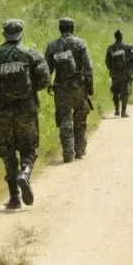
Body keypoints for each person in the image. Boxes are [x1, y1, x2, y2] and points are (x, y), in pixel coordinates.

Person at [0, 19, 50, 209]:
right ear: (21, 33)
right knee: (29, 146)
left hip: (3, 111)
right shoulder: (30, 54)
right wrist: (30, 91)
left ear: (4, 33)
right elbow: (45, 78)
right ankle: (25, 174)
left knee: (7, 149)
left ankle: (14, 197)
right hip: (26, 108)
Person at [45, 17, 94, 163]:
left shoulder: (52, 46)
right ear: (72, 28)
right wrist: (90, 86)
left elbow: (47, 69)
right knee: (80, 117)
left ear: (60, 29)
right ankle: (80, 150)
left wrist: (49, 84)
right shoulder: (80, 44)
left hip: (60, 88)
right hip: (78, 86)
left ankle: (68, 153)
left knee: (64, 119)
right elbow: (88, 67)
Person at [105, 30, 133, 118]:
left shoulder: (110, 48)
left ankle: (116, 110)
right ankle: (123, 112)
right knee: (124, 92)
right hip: (125, 73)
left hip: (114, 74)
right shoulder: (128, 47)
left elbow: (107, 61)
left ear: (115, 37)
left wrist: (112, 69)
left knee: (115, 91)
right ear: (122, 37)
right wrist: (131, 63)